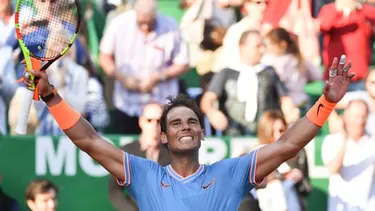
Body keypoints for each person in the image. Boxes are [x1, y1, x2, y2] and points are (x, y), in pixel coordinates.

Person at [22, 54, 354, 210]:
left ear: (201, 134)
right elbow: (90, 140)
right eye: (176, 122)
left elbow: (286, 145)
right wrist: (51, 96)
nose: (186, 127)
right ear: (163, 136)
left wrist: (325, 102)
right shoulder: (143, 173)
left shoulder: (231, 172)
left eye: (193, 122)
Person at [108, 102, 170, 211]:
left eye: (159, 121)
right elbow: (114, 190)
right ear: (141, 121)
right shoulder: (126, 152)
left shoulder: (173, 154)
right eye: (149, 120)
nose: (154, 126)